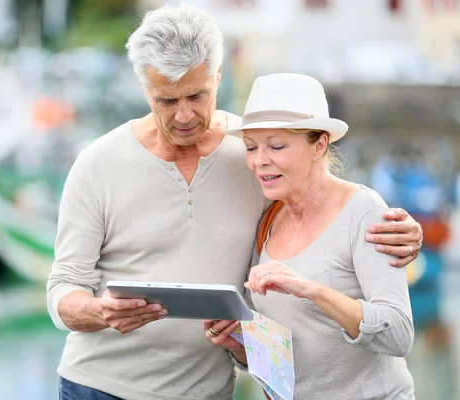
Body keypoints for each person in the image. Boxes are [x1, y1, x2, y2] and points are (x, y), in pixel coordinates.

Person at [47, 4, 422, 400]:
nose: (185, 115)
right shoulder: (97, 165)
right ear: (144, 89)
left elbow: (321, 196)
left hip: (207, 391)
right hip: (99, 389)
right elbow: (63, 289)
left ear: (218, 76)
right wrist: (99, 312)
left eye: (197, 95)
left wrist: (403, 232)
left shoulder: (249, 154)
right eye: (166, 101)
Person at [204, 73, 415, 399]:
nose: (260, 160)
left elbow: (399, 334)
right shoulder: (268, 221)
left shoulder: (364, 211)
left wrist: (311, 289)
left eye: (276, 146)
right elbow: (276, 355)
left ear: (319, 144)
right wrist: (238, 340)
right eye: (250, 147)